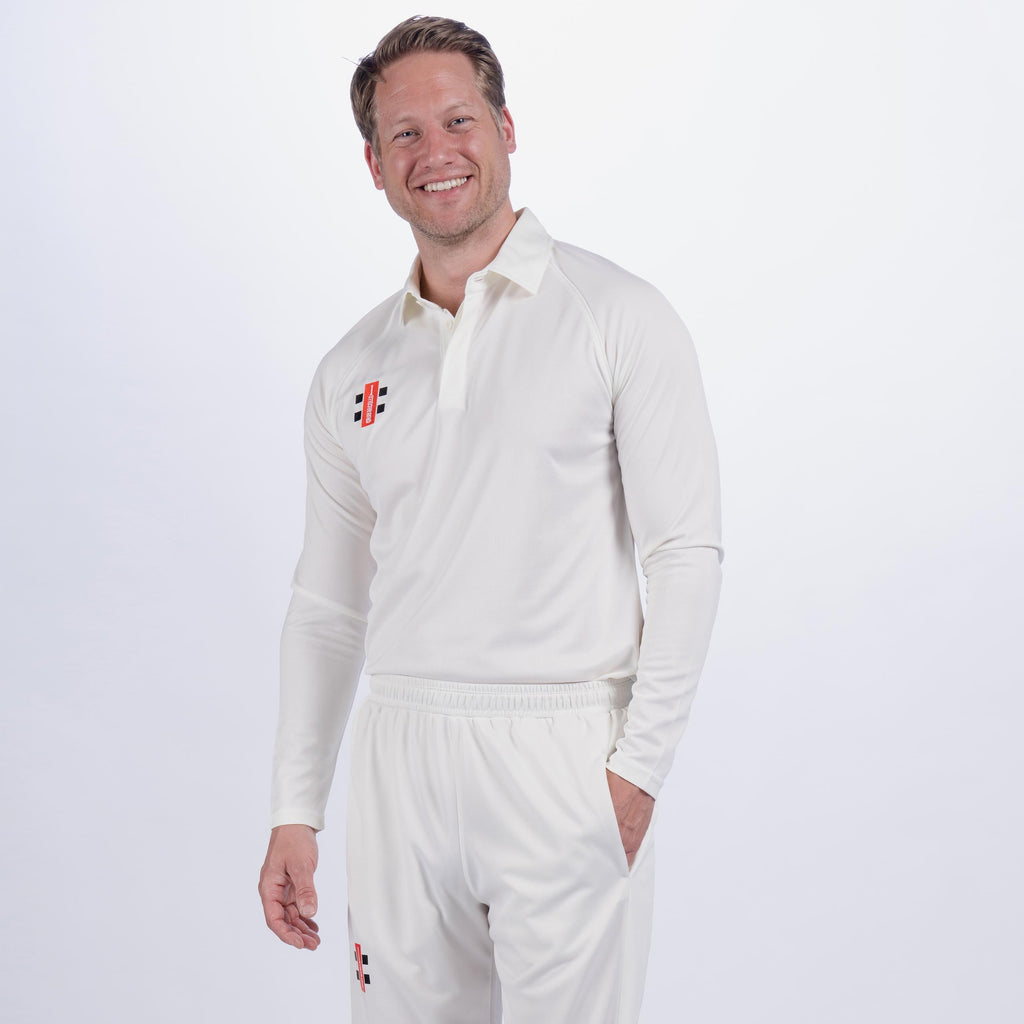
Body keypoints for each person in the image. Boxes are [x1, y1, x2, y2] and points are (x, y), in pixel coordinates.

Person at [258, 15, 723, 1024]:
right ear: (374, 165)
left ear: (506, 129)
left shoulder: (617, 316)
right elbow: (328, 605)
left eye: (458, 120)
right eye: (406, 133)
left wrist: (638, 773)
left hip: (564, 751)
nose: (436, 151)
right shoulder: (351, 368)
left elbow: (684, 553)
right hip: (402, 752)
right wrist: (297, 807)